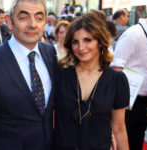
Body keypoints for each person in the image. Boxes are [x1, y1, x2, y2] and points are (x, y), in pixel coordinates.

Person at [0, 0, 57, 149]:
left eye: (39, 18)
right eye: (24, 18)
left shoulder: (50, 52)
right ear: (9, 22)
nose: (32, 24)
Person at [52, 12, 129, 150]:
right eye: (75, 42)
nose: (81, 48)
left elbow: (119, 128)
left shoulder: (117, 80)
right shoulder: (60, 76)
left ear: (100, 42)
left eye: (87, 40)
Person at [110, 1, 147, 149]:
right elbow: (116, 67)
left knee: (137, 141)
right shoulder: (133, 34)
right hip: (128, 103)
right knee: (123, 141)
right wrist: (123, 97)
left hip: (143, 101)